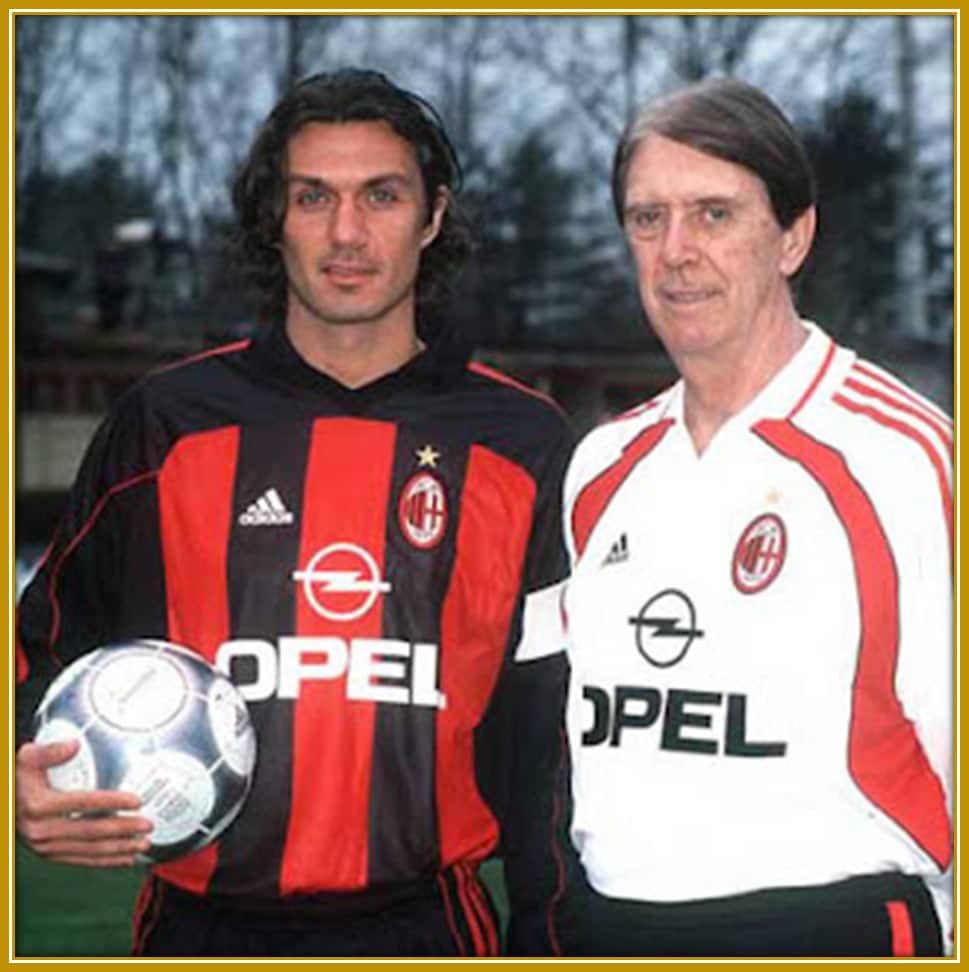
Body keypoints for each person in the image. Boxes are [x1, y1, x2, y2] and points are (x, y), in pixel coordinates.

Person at [15, 68, 575, 957]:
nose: (345, 234)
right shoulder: (165, 425)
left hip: (428, 928)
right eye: (312, 197)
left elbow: (555, 747)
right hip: (199, 931)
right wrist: (22, 777)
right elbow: (39, 643)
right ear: (270, 219)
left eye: (381, 196)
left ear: (432, 217)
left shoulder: (524, 445)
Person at [559, 78, 952, 957]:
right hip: (612, 925)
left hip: (826, 922)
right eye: (646, 218)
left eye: (713, 215)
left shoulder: (904, 459)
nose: (675, 252)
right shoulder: (598, 468)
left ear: (792, 237)